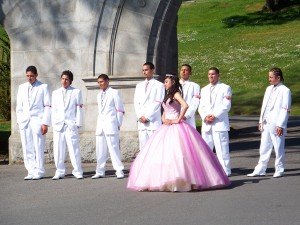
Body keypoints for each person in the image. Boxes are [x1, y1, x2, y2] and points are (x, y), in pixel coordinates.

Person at [127, 74, 230, 192]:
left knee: (179, 152)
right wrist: (163, 118)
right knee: (163, 153)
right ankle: (166, 179)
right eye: (165, 82)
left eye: (167, 82)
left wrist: (178, 118)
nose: (165, 84)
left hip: (176, 126)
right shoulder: (167, 95)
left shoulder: (176, 94)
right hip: (166, 125)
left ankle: (184, 179)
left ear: (173, 83)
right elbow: (165, 109)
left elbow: (185, 105)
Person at [247, 67, 291, 178]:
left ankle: (279, 169)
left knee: (278, 147)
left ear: (278, 77)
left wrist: (280, 124)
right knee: (264, 147)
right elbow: (264, 106)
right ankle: (261, 169)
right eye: (269, 77)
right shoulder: (268, 89)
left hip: (276, 123)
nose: (269, 79)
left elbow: (285, 108)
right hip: (266, 122)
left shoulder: (285, 90)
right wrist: (261, 120)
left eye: (271, 77)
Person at [16, 65, 51, 180]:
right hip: (25, 122)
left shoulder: (43, 87)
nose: (29, 78)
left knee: (38, 146)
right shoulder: (21, 87)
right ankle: (30, 170)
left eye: (31, 76)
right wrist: (20, 121)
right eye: (27, 76)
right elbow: (19, 107)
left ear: (36, 75)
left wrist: (45, 123)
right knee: (27, 147)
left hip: (38, 121)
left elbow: (47, 106)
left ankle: (39, 171)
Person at [198, 67, 232, 176]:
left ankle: (225, 171)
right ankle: (208, 171)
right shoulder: (203, 89)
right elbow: (201, 107)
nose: (211, 76)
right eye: (209, 74)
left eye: (213, 74)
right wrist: (205, 117)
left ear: (218, 75)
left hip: (219, 123)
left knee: (222, 149)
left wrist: (214, 115)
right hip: (207, 124)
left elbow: (226, 105)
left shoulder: (225, 88)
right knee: (206, 150)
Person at [51, 70, 84, 180]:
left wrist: (78, 123)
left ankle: (77, 171)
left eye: (66, 79)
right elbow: (53, 110)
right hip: (59, 125)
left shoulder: (76, 92)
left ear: (70, 81)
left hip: (71, 124)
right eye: (63, 78)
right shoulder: (55, 93)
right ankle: (59, 171)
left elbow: (79, 109)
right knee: (58, 149)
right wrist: (54, 123)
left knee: (74, 148)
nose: (64, 81)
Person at [92, 74, 125, 179]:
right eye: (98, 82)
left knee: (114, 149)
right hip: (100, 127)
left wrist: (118, 124)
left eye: (101, 81)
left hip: (111, 125)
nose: (100, 84)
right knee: (100, 150)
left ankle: (119, 170)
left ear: (107, 81)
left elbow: (120, 110)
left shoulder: (114, 93)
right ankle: (100, 171)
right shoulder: (98, 95)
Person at [134, 62, 165, 151]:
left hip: (153, 121)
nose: (144, 72)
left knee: (155, 147)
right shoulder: (139, 86)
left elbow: (158, 102)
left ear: (152, 70)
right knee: (143, 148)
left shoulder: (159, 85)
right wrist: (140, 116)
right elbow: (136, 103)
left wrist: (147, 117)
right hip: (141, 122)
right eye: (143, 70)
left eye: (146, 70)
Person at [179, 64, 200, 128]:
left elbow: (195, 102)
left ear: (190, 73)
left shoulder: (195, 86)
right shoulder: (174, 84)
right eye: (182, 70)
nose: (183, 72)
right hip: (175, 116)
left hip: (187, 117)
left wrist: (187, 115)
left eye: (186, 70)